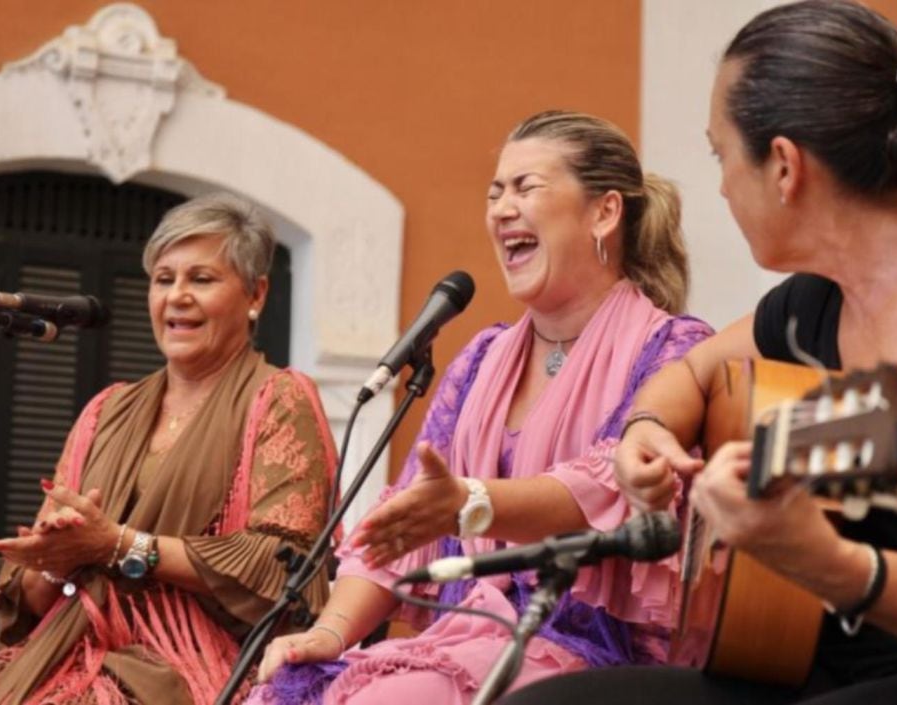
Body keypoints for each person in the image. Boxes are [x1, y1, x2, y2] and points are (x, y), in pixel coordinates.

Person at [499, 2, 897, 704]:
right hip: (814, 667)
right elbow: (688, 370)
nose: (720, 185)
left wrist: (839, 568)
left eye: (723, 155)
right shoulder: (815, 302)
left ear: (783, 165)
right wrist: (646, 429)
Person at [245, 110, 713, 705]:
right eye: (495, 192)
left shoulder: (673, 349)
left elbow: (603, 485)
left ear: (605, 212)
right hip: (467, 637)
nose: (501, 208)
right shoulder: (482, 356)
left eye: (526, 187)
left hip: (590, 656)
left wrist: (468, 504)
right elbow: (403, 524)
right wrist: (328, 632)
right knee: (277, 692)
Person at [0, 192, 338, 704]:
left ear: (256, 295)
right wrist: (51, 559)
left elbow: (283, 563)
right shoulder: (107, 410)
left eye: (201, 279)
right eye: (163, 279)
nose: (177, 296)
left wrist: (118, 545)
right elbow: (34, 597)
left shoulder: (280, 399)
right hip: (65, 651)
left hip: (191, 664)